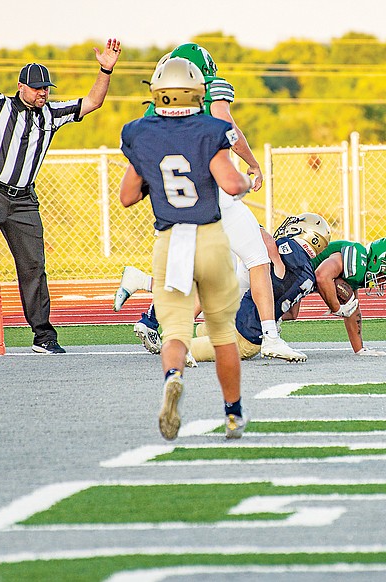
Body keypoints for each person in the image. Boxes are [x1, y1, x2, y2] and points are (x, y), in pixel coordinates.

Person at [0, 25, 121, 353]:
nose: (42, 93)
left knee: (33, 266)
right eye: (36, 89)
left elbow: (93, 102)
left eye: (45, 88)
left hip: (23, 201)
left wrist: (105, 69)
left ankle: (43, 336)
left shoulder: (52, 113)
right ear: (21, 87)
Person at [114, 43, 305, 362]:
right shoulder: (210, 98)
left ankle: (169, 333)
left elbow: (128, 194)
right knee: (257, 257)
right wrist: (249, 171)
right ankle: (270, 336)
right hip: (214, 195)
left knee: (191, 275)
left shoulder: (146, 121)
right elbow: (227, 129)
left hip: (175, 206)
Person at [119, 57, 251, 440]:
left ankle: (173, 377)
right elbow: (229, 183)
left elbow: (127, 196)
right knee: (222, 331)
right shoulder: (210, 129)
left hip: (169, 240)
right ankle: (232, 413)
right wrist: (243, 181)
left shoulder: (141, 133)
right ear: (198, 91)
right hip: (208, 237)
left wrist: (153, 180)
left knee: (175, 329)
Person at [114, 213, 331, 363]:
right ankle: (145, 288)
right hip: (239, 318)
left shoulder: (280, 252)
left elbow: (268, 244)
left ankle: (143, 284)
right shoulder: (306, 275)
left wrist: (251, 227)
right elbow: (292, 312)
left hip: (237, 323)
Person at [306, 235, 386, 356]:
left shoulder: (360, 271)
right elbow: (322, 276)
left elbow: (352, 309)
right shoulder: (356, 258)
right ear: (376, 260)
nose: (381, 283)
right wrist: (336, 308)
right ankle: (277, 335)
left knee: (291, 314)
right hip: (293, 269)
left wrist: (360, 350)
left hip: (301, 276)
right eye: (382, 276)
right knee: (287, 312)